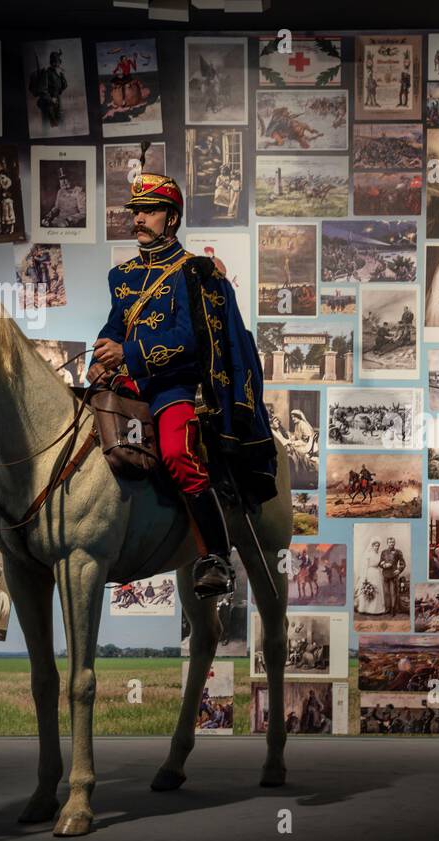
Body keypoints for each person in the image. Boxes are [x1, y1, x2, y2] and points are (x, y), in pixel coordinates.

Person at [88, 173, 277, 602]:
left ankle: (214, 557)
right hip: (126, 385)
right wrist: (97, 363)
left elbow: (192, 340)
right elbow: (113, 329)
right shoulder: (121, 276)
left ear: (171, 219)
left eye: (148, 210)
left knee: (177, 452)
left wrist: (128, 355)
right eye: (135, 210)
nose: (138, 218)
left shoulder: (196, 272)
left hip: (174, 387)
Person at [355, 539, 388, 615]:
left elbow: (380, 564)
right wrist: (365, 577)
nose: (377, 547)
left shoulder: (379, 554)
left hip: (377, 573)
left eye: (378, 546)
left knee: (377, 590)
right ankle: (366, 609)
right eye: (375, 546)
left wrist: (383, 564)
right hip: (370, 572)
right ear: (372, 546)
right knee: (369, 589)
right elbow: (365, 566)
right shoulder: (368, 554)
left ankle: (376, 609)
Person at [379, 535, 406, 614]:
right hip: (385, 574)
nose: (391, 543)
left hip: (394, 574)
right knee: (386, 592)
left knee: (393, 592)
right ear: (387, 543)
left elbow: (402, 563)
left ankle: (393, 609)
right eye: (390, 542)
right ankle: (387, 609)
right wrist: (383, 565)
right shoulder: (383, 552)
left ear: (395, 543)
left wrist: (399, 570)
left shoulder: (398, 552)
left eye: (393, 542)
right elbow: (380, 562)